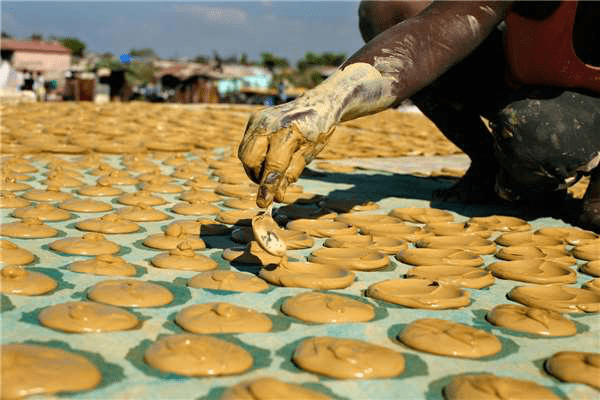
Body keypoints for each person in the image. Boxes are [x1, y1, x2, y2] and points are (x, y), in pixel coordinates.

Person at [238, 1, 600, 232]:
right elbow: (436, 33)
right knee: (390, 8)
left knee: (538, 136)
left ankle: (544, 177)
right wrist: (327, 101)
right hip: (521, 77)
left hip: (584, 107)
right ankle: (490, 164)